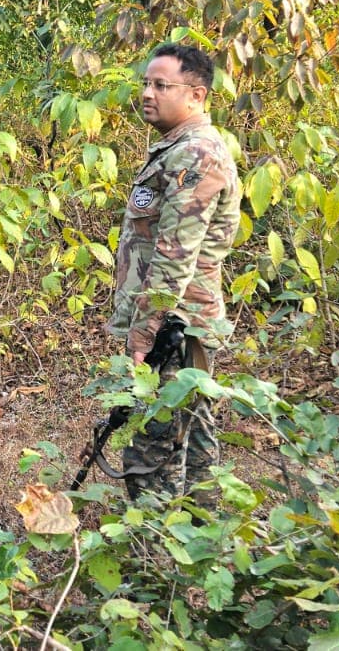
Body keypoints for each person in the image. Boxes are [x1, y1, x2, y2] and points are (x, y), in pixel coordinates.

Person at [108, 43, 240, 503]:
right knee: (194, 441)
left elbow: (174, 254)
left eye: (161, 85)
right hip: (182, 324)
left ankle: (153, 563)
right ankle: (200, 551)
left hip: (173, 328)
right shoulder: (176, 149)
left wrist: (144, 334)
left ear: (197, 95)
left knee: (152, 451)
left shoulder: (194, 154)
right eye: (146, 83)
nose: (148, 93)